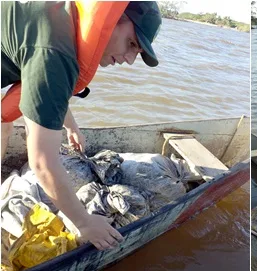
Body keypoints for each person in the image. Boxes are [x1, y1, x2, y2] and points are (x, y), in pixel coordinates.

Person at [1, 1, 162, 250]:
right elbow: (42, 162)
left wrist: (70, 125)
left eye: (137, 52)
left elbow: (47, 86)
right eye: (131, 44)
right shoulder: (55, 52)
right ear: (113, 19)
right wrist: (84, 222)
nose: (130, 60)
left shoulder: (63, 21)